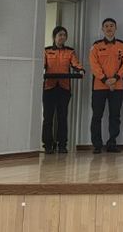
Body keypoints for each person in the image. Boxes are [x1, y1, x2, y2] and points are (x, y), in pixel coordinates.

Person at [89, 18, 123, 154]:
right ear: (102, 29)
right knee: (97, 116)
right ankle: (97, 145)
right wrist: (105, 79)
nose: (109, 28)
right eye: (106, 26)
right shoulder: (96, 46)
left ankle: (112, 143)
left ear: (116, 28)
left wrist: (115, 79)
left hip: (117, 86)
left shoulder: (122, 46)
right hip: (99, 86)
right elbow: (94, 65)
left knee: (115, 116)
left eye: (111, 26)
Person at [42, 26, 85, 154]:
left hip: (63, 88)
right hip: (49, 87)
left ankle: (62, 145)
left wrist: (80, 70)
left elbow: (76, 64)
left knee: (62, 117)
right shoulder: (46, 51)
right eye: (60, 35)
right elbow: (42, 65)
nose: (62, 37)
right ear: (54, 37)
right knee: (48, 117)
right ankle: (48, 145)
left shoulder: (69, 52)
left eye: (64, 35)